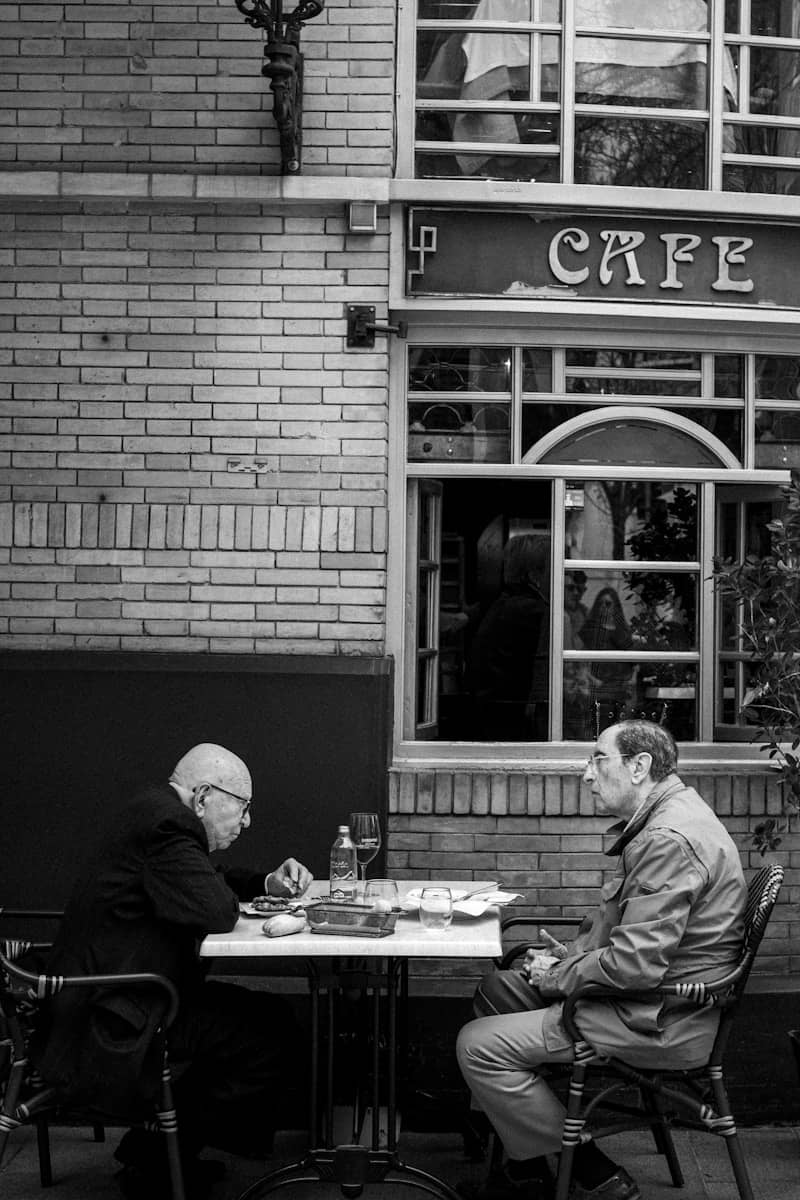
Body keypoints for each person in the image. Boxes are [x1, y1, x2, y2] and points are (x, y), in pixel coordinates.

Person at [456, 720, 746, 1200]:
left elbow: (636, 967)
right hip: (646, 1000)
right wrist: (568, 956)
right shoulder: (670, 814)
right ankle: (525, 1162)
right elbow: (635, 934)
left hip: (659, 1018)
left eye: (597, 759)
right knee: (500, 989)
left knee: (476, 1045)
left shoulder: (667, 838)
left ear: (639, 767)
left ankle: (589, 1172)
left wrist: (560, 975)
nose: (586, 774)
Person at [32, 743, 313, 1199]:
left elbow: (206, 876)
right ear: (203, 797)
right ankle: (157, 1162)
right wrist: (234, 893)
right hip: (115, 1012)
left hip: (111, 993)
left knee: (266, 1022)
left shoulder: (153, 811)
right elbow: (217, 909)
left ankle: (158, 1155)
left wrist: (266, 883)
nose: (246, 822)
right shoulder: (169, 826)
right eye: (241, 808)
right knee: (268, 1036)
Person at [468, 534, 550, 740]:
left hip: (493, 709)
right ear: (535, 576)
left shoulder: (506, 602)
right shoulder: (532, 610)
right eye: (555, 569)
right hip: (511, 713)